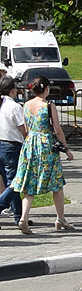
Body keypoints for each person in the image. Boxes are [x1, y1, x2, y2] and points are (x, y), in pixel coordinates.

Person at [11, 77, 75, 234]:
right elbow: (57, 129)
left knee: (30, 184)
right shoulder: (48, 106)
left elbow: (26, 127)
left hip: (30, 144)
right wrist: (66, 148)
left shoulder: (26, 105)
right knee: (56, 183)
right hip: (46, 145)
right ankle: (60, 218)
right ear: (46, 89)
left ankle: (23, 218)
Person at [0, 71, 28, 224]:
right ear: (12, 89)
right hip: (11, 146)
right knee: (15, 182)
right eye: (16, 88)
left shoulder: (2, 103)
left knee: (9, 180)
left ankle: (18, 216)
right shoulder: (14, 106)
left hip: (2, 144)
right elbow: (23, 130)